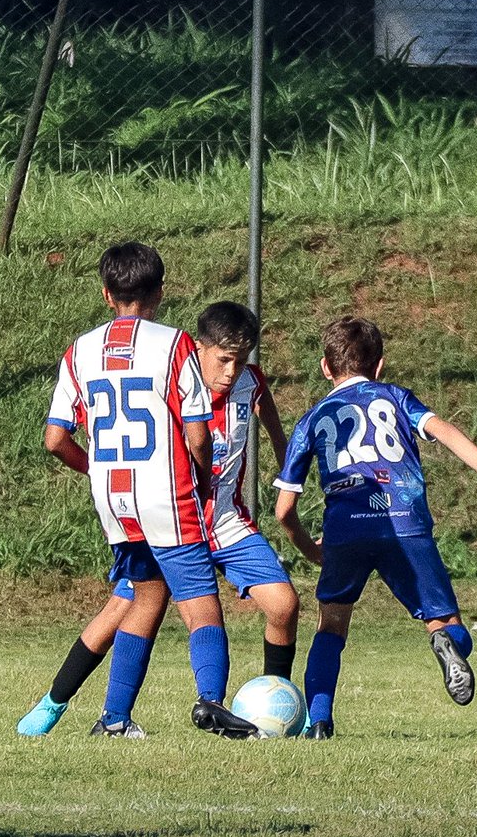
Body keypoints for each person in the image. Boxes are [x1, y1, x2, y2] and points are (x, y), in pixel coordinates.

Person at [17, 300, 300, 737]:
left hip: (224, 520)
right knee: (126, 608)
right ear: (200, 349)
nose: (231, 371)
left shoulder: (251, 384)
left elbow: (280, 436)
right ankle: (58, 704)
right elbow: (184, 441)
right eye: (224, 359)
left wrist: (290, 479)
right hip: (175, 515)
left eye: (240, 360)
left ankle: (277, 705)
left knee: (283, 604)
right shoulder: (176, 378)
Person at [274, 316, 477, 740]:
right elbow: (444, 431)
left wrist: (308, 547)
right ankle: (446, 644)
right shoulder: (395, 398)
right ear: (380, 366)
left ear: (325, 367)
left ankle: (318, 721)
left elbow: (285, 510)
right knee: (444, 620)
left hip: (345, 531)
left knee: (331, 626)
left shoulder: (311, 419)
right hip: (404, 523)